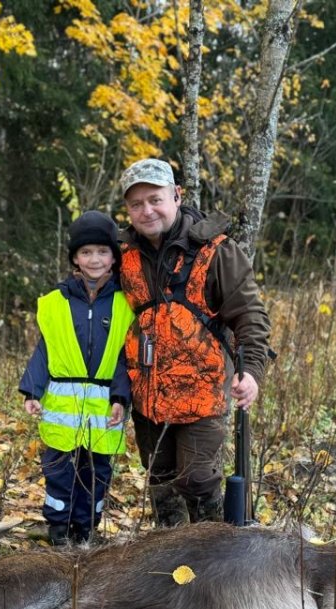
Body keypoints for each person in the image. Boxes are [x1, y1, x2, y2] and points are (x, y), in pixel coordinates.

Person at [118, 158, 273, 526]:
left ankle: (213, 548)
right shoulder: (122, 255)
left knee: (198, 480)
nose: (146, 211)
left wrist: (252, 371)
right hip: (147, 394)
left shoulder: (216, 251)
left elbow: (250, 315)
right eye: (136, 204)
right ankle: (169, 550)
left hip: (202, 393)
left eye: (155, 199)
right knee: (159, 480)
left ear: (176, 195)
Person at [20, 210, 133, 545]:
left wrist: (120, 397)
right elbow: (45, 350)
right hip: (61, 409)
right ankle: (58, 529)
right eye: (86, 252)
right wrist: (32, 391)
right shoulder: (55, 302)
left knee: (96, 472)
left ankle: (85, 531)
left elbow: (124, 358)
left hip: (103, 409)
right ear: (75, 258)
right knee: (58, 470)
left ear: (114, 257)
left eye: (102, 251)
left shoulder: (125, 303)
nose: (94, 259)